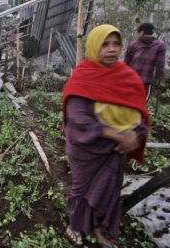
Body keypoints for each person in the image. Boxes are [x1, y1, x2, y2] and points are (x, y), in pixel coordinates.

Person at [62, 24, 150, 248]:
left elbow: (138, 110)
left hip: (115, 151)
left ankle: (99, 230)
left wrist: (136, 135)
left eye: (116, 44)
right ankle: (75, 225)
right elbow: (78, 118)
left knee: (109, 189)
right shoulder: (83, 76)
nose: (111, 49)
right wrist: (117, 135)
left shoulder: (126, 76)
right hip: (86, 150)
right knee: (81, 190)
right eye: (105, 44)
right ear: (93, 46)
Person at [124, 22, 166, 100]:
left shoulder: (133, 44)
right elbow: (160, 65)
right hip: (145, 82)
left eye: (138, 33)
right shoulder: (160, 45)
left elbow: (126, 63)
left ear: (142, 33)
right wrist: (161, 81)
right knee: (141, 104)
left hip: (130, 80)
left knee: (127, 101)